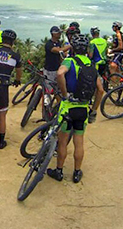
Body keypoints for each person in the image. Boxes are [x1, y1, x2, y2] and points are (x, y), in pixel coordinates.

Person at [48, 34, 103, 183]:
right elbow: (100, 90)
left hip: (68, 107)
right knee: (79, 141)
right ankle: (77, 172)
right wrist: (94, 110)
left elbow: (60, 73)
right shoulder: (91, 64)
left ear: (73, 47)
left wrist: (64, 93)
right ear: (86, 49)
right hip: (83, 109)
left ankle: (59, 171)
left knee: (63, 140)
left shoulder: (69, 61)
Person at [87, 26, 108, 123]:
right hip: (104, 63)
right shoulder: (104, 41)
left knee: (94, 83)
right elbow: (106, 52)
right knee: (101, 81)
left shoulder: (92, 42)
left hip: (96, 64)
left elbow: (90, 55)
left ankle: (92, 102)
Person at [44, 26, 71, 95]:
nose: (60, 34)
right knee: (49, 89)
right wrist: (70, 45)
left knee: (58, 88)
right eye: (58, 33)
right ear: (53, 34)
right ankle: (46, 101)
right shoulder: (49, 44)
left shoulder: (58, 42)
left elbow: (61, 53)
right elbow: (59, 51)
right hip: (50, 70)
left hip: (57, 68)